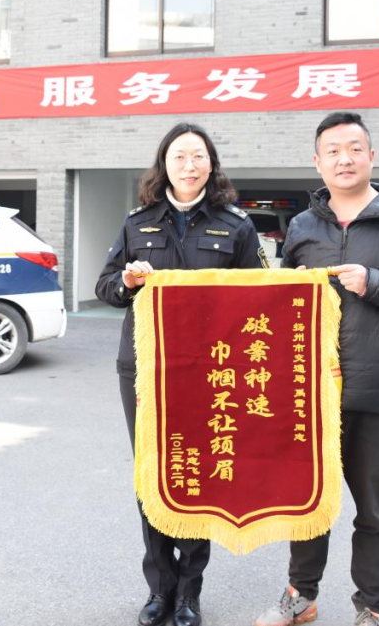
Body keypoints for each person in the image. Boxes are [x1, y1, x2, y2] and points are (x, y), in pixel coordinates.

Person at [254, 112, 379, 626]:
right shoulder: (303, 226)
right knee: (307, 504)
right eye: (333, 151)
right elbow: (280, 305)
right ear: (317, 161)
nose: (344, 159)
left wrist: (375, 282)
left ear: (371, 156)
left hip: (376, 395)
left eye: (354, 149)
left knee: (374, 512)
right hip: (311, 397)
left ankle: (370, 608)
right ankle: (300, 597)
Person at [96, 123, 266, 626]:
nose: (189, 166)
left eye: (198, 156)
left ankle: (190, 592)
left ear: (211, 164)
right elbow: (105, 286)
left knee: (197, 474)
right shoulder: (138, 223)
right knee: (151, 472)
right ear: (163, 164)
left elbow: (262, 296)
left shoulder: (236, 226)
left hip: (209, 370)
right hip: (144, 367)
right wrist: (127, 281)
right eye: (179, 156)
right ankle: (159, 589)